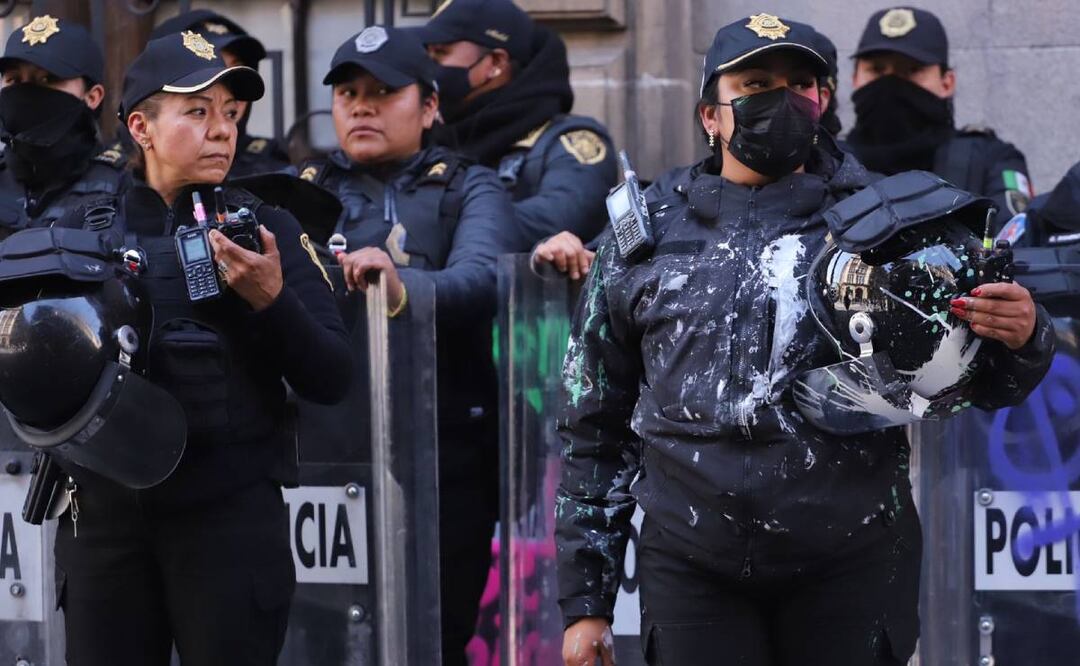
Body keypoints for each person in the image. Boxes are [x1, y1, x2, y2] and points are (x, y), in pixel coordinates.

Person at [554, 14, 1054, 666]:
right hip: (693, 564)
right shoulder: (642, 233)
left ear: (824, 104)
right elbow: (594, 422)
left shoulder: (897, 226)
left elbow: (977, 383)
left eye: (800, 84)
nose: (780, 99)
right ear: (711, 114)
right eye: (756, 82)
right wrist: (586, 601)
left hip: (851, 560)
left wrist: (1025, 336)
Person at [44, 31, 351, 665]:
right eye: (198, 111)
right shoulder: (74, 233)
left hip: (229, 520)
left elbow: (332, 375)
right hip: (103, 524)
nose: (222, 131)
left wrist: (271, 299)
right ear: (141, 127)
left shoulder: (270, 227)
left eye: (231, 115)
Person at [297, 25, 513, 666]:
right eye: (347, 93)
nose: (360, 106)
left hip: (446, 457)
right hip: (325, 463)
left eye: (384, 92)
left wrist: (398, 288)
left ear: (428, 107)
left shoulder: (470, 186)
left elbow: (481, 280)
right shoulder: (300, 190)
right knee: (322, 640)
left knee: (434, 636)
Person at [413, 0, 617, 252]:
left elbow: (557, 220)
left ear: (495, 63)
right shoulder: (431, 138)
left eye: (441, 54)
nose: (429, 68)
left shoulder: (571, 142)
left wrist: (432, 218)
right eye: (428, 55)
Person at [846, 6, 1031, 225]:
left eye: (911, 70)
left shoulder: (990, 160)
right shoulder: (831, 163)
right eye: (877, 69)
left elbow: (1013, 239)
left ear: (947, 82)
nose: (891, 83)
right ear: (855, 78)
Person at [0, 14, 125, 235]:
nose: (26, 93)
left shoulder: (123, 185)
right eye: (14, 80)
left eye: (47, 79)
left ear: (93, 97)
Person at [149, 9, 290, 177]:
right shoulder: (118, 178)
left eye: (237, 70)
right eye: (210, 71)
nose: (229, 87)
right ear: (140, 127)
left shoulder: (270, 169)